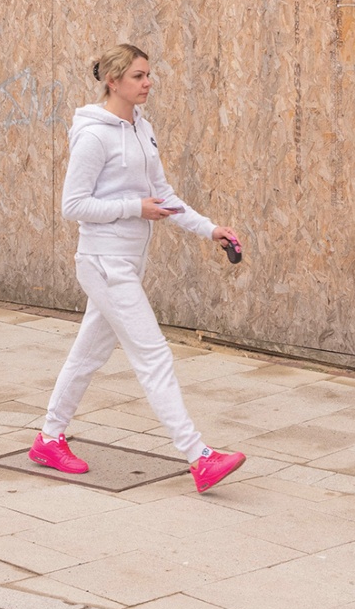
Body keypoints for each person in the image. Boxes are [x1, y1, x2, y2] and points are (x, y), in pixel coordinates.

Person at [31, 44, 247, 493]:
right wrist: (135, 208)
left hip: (125, 261)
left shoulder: (141, 128)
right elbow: (73, 205)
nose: (147, 83)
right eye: (137, 76)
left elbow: (162, 194)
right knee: (153, 355)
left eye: (148, 75)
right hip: (105, 262)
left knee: (87, 355)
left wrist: (209, 230)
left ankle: (49, 439)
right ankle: (199, 456)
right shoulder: (94, 135)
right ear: (113, 82)